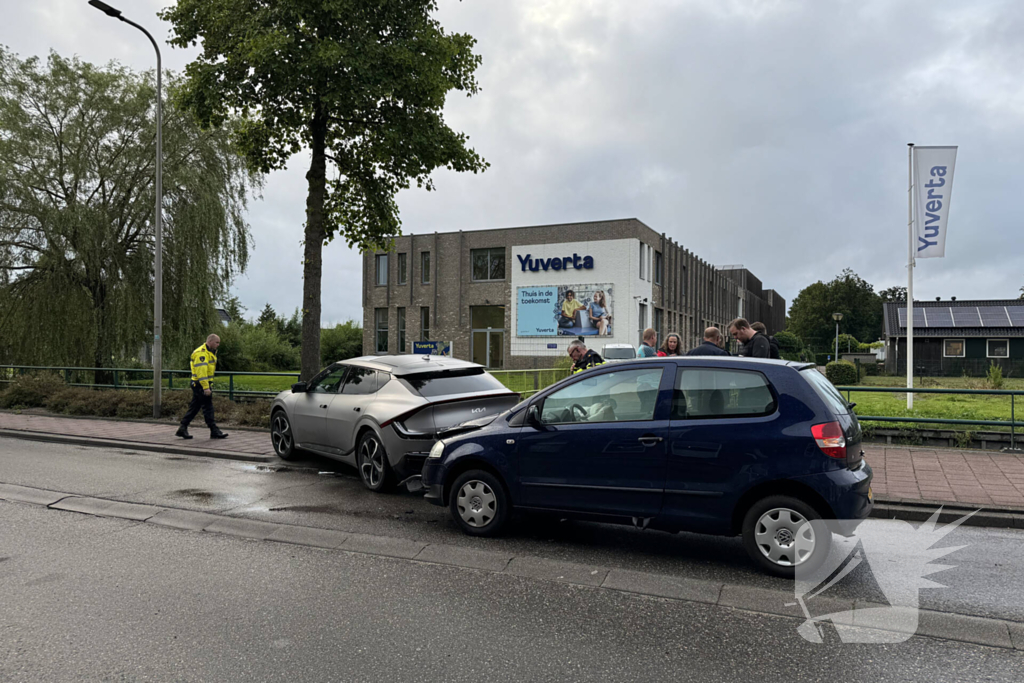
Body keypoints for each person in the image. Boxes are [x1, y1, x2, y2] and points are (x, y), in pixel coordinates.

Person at [175, 333, 228, 439]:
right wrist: (206, 387)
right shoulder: (201, 354)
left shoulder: (209, 352)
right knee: (208, 407)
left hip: (199, 384)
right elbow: (201, 373)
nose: (218, 345)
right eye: (217, 342)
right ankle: (214, 430)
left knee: (194, 407)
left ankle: (182, 427)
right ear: (210, 342)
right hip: (200, 384)